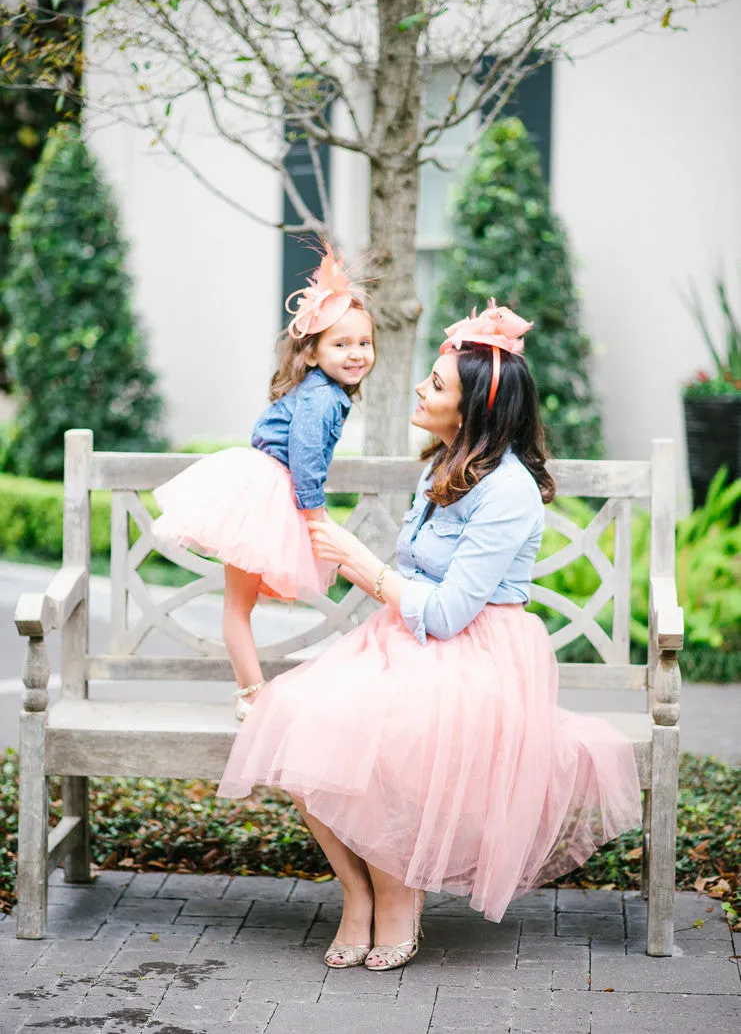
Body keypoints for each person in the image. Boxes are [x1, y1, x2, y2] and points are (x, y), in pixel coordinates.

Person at [217, 301, 642, 972]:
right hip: (402, 642)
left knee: (384, 739)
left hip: (476, 655)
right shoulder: (440, 466)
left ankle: (397, 897)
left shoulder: (507, 493)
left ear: (474, 411)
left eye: (437, 385)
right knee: (292, 716)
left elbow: (446, 614)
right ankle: (356, 893)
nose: (419, 387)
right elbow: (409, 586)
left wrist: (361, 561)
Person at [152, 243, 375, 719]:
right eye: (341, 344)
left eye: (364, 342)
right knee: (254, 595)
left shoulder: (324, 391)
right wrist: (315, 518)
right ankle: (252, 695)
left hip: (261, 489)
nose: (356, 354)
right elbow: (307, 458)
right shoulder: (321, 399)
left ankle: (251, 693)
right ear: (312, 354)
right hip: (268, 494)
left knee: (239, 604)